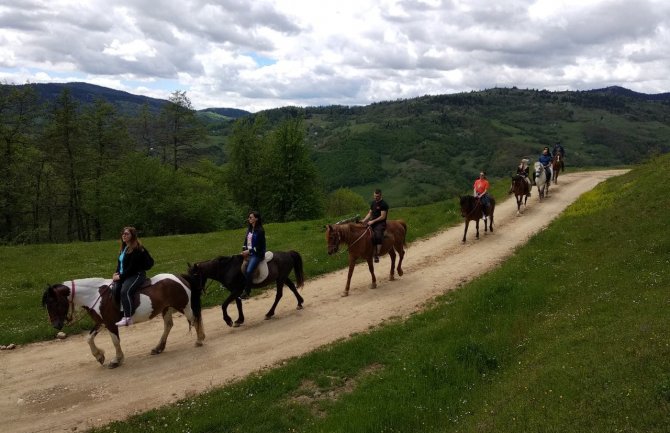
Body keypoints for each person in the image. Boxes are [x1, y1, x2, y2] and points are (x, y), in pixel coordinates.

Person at [112, 227, 154, 326]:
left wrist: (120, 277)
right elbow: (120, 264)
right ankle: (120, 313)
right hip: (125, 275)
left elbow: (132, 268)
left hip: (137, 275)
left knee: (125, 291)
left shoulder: (137, 249)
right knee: (115, 289)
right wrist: (116, 273)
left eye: (126, 234)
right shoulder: (124, 248)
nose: (124, 235)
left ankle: (128, 318)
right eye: (123, 233)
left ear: (132, 236)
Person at [241, 211, 266, 299]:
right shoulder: (249, 229)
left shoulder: (260, 231)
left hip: (257, 254)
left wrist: (249, 251)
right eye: (249, 217)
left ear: (256, 219)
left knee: (249, 270)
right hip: (249, 252)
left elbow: (259, 247)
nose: (249, 219)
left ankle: (247, 292)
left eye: (251, 217)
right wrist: (243, 250)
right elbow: (245, 242)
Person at [361, 188, 388, 263]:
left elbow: (383, 216)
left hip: (380, 223)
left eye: (377, 196)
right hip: (372, 221)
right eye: (375, 196)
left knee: (378, 235)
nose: (376, 197)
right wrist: (364, 220)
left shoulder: (384, 204)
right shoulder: (373, 203)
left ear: (380, 195)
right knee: (364, 232)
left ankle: (377, 254)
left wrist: (373, 221)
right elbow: (370, 213)